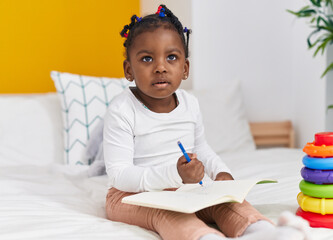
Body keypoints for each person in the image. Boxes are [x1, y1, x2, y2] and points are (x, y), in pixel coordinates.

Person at [104, 4, 310, 240]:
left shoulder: (189, 103)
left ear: (185, 68)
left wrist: (221, 172)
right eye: (147, 58)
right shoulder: (122, 110)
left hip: (185, 186)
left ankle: (264, 232)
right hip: (130, 195)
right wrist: (174, 174)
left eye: (171, 57)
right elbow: (119, 174)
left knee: (229, 203)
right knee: (170, 214)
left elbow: (201, 149)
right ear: (128, 70)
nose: (160, 67)